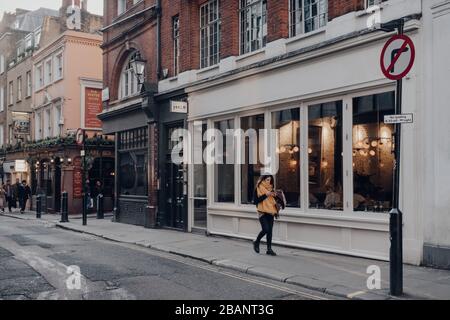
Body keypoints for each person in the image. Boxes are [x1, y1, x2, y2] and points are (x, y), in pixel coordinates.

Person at [253, 175, 278, 256]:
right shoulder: (258, 188)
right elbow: (255, 201)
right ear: (263, 180)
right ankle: (257, 241)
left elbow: (273, 201)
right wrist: (266, 195)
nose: (269, 182)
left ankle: (269, 249)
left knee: (270, 231)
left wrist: (275, 195)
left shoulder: (271, 188)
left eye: (270, 180)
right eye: (267, 180)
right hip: (262, 212)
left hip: (271, 211)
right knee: (265, 229)